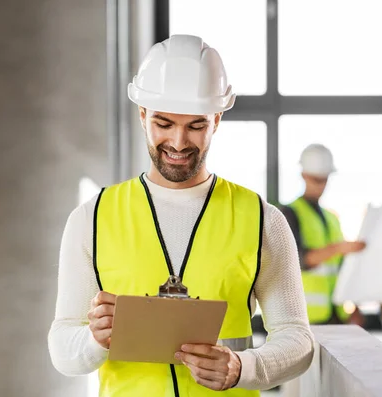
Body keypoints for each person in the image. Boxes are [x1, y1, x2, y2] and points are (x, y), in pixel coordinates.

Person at [48, 34, 313, 397]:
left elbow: (298, 339)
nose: (177, 142)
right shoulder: (91, 218)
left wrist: (242, 368)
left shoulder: (262, 219)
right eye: (164, 123)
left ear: (217, 119)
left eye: (196, 126)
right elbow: (62, 349)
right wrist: (96, 339)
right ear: (143, 115)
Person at [280, 144, 366, 326]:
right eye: (316, 179)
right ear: (303, 175)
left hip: (336, 315)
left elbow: (343, 268)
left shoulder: (331, 218)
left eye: (324, 180)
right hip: (305, 319)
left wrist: (355, 307)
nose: (320, 185)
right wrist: (340, 248)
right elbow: (300, 259)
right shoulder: (289, 213)